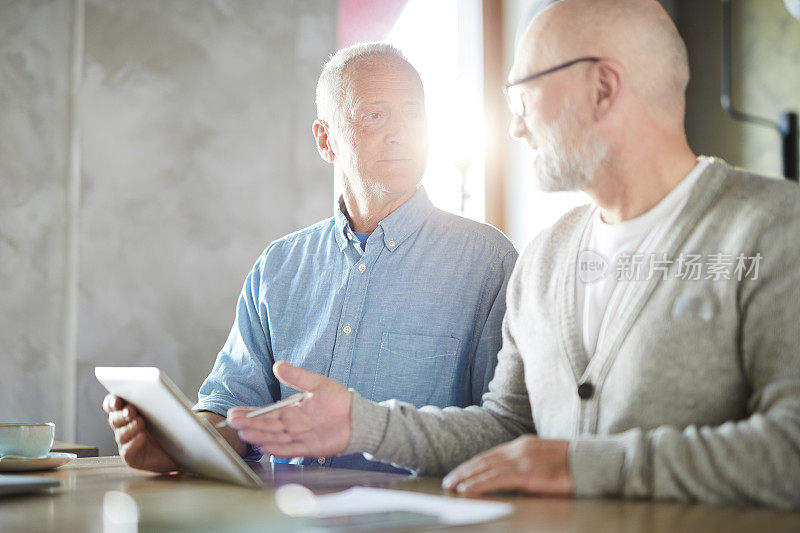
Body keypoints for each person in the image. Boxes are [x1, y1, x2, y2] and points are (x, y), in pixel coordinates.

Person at [224, 0, 800, 509]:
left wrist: (579, 465)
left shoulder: (776, 230)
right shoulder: (546, 258)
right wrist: (364, 424)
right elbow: (507, 426)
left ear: (601, 89)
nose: (517, 125)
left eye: (523, 92)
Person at [102, 42, 517, 474]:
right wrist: (177, 445)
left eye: (413, 112)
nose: (400, 131)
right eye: (375, 114)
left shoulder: (488, 262)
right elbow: (231, 411)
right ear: (325, 140)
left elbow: (503, 429)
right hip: (286, 515)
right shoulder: (278, 266)